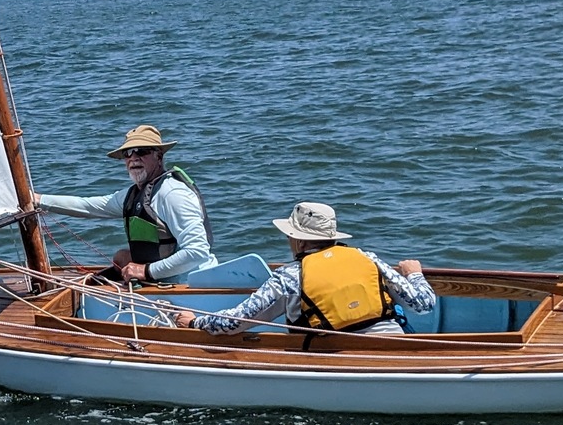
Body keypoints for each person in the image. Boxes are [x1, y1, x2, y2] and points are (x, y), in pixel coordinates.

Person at [173, 201, 435, 336]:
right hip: (393, 346)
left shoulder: (289, 276)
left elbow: (237, 322)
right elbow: (424, 304)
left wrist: (196, 321)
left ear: (297, 240)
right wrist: (414, 273)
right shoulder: (367, 258)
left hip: (334, 356)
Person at [36, 124, 217, 283]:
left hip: (190, 286)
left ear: (159, 157)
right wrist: (39, 200)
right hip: (160, 281)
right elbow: (87, 206)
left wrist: (145, 271)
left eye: (142, 151)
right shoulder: (133, 194)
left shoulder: (172, 194)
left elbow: (197, 252)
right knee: (122, 257)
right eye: (128, 153)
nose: (133, 158)